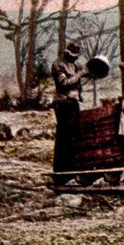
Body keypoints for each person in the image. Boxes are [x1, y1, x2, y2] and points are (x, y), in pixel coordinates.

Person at [51, 41, 87, 173]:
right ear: (66, 53)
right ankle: (61, 170)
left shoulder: (74, 65)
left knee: (73, 136)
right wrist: (80, 75)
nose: (75, 57)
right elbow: (64, 83)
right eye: (72, 55)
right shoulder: (58, 65)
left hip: (73, 102)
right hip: (62, 102)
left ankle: (72, 168)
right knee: (63, 137)